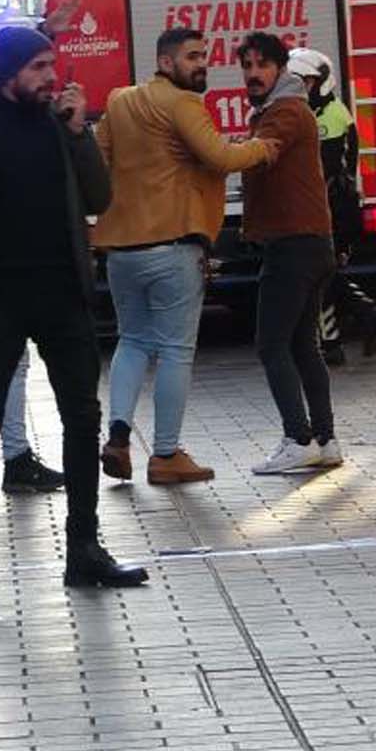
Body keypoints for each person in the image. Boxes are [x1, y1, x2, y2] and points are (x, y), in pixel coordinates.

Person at [0, 26, 147, 595]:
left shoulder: (60, 128)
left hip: (62, 294)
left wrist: (79, 133)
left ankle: (85, 548)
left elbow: (100, 199)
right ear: (10, 71)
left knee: (82, 418)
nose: (52, 78)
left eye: (53, 65)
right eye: (40, 67)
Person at [93, 28, 279, 486]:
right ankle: (165, 454)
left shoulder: (119, 101)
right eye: (193, 57)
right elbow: (218, 156)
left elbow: (97, 163)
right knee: (176, 351)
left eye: (205, 56)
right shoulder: (183, 104)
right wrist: (263, 148)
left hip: (121, 251)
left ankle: (118, 436)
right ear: (165, 61)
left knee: (132, 341)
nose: (203, 65)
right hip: (173, 246)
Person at [237, 33, 343, 475]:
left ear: (281, 70)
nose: (253, 73)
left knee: (271, 344)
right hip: (313, 242)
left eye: (262, 65)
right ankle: (325, 438)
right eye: (247, 65)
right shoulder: (286, 109)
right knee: (304, 345)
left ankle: (297, 437)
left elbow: (260, 154)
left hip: (293, 244)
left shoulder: (284, 112)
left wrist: (208, 156)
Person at [291, 48, 376, 364]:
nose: (300, 89)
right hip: (322, 205)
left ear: (320, 81)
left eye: (304, 82)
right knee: (322, 273)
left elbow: (330, 168)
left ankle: (357, 323)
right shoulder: (312, 113)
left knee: (321, 272)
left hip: (333, 206)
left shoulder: (333, 116)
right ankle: (341, 335)